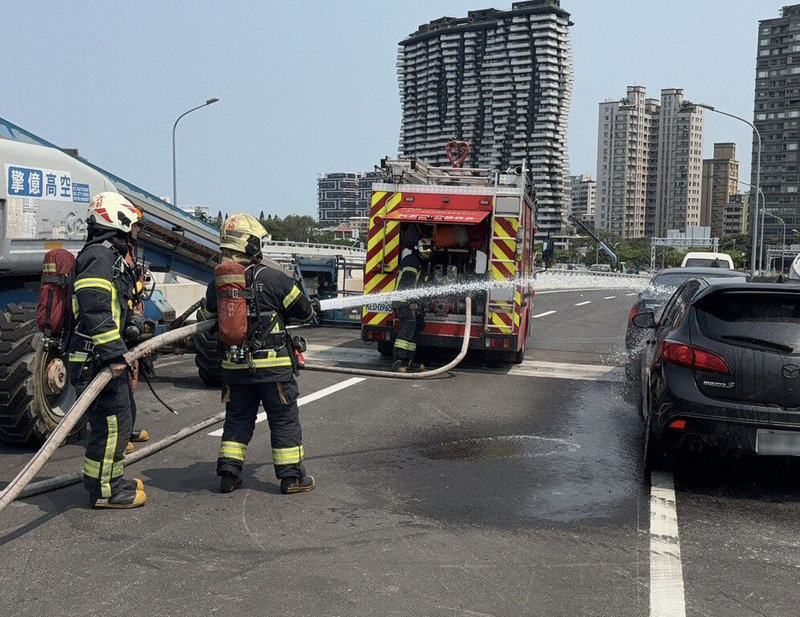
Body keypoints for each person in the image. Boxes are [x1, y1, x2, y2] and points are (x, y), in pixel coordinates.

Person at [201, 213, 317, 494]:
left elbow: (206, 317)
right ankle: (292, 478)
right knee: (284, 419)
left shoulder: (218, 285)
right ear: (251, 246)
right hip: (274, 371)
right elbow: (304, 312)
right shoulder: (274, 279)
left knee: (238, 420)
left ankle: (228, 475)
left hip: (235, 369)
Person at [68, 192, 146, 509]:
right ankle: (105, 491)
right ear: (119, 220)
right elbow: (96, 308)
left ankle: (111, 479)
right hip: (96, 359)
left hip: (103, 358)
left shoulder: (107, 256)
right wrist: (114, 352)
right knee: (111, 427)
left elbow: (113, 309)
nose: (137, 232)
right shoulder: (100, 257)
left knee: (121, 422)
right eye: (134, 225)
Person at [392, 238, 432, 372]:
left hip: (412, 303)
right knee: (408, 327)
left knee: (417, 326)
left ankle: (408, 360)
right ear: (417, 248)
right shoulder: (412, 261)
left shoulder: (419, 263)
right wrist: (411, 302)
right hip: (405, 302)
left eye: (429, 249)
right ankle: (398, 361)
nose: (427, 252)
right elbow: (407, 283)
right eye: (425, 249)